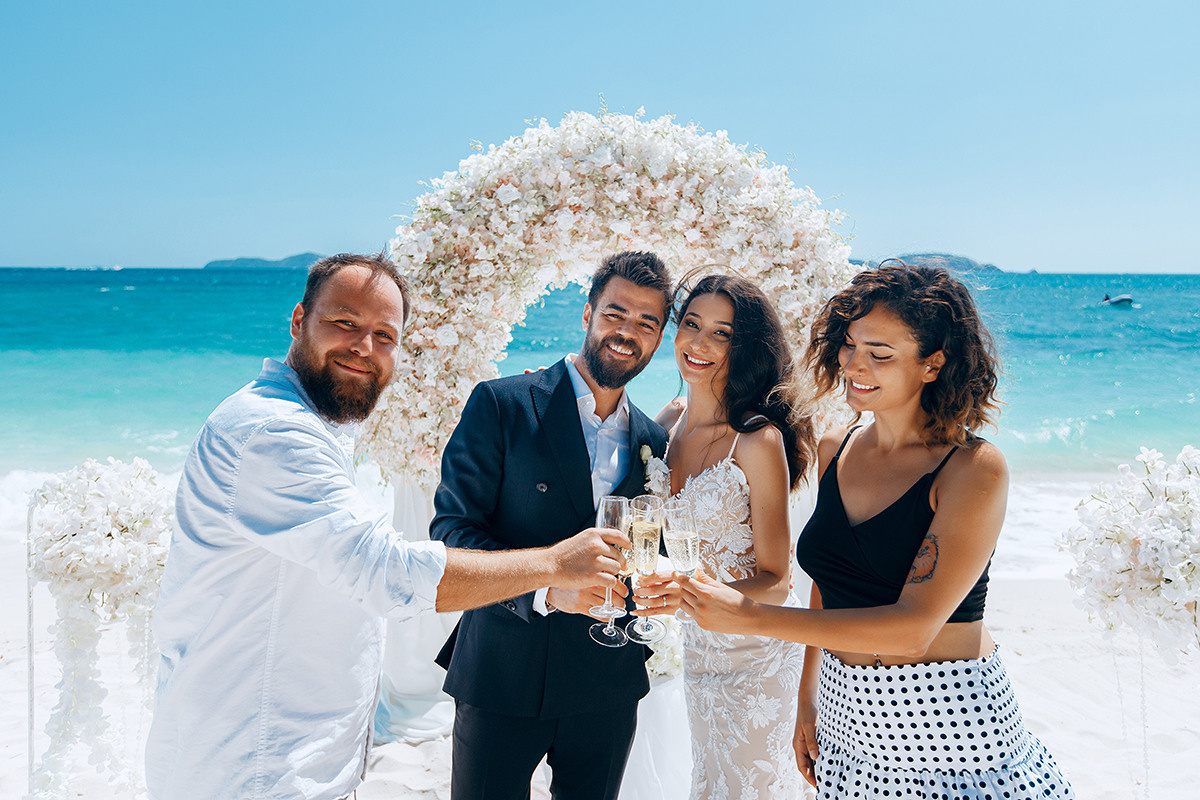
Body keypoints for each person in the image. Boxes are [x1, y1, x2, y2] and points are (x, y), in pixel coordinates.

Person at [146, 253, 630, 800]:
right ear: (299, 320)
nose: (364, 347)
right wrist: (554, 566)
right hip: (251, 763)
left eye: (384, 335)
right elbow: (385, 572)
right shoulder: (273, 433)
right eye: (345, 323)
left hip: (292, 756)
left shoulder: (316, 425)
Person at [677, 263, 1075, 798]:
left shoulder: (971, 468)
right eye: (849, 345)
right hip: (845, 722)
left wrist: (751, 616)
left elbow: (913, 629)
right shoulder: (835, 448)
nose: (854, 365)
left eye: (880, 354)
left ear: (932, 363)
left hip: (947, 725)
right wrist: (808, 696)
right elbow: (827, 583)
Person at [431, 251, 673, 800]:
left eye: (646, 322)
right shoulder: (502, 404)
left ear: (659, 338)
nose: (627, 332)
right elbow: (451, 533)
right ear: (587, 313)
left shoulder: (656, 443)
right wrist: (545, 588)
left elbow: (648, 551)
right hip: (501, 672)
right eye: (615, 314)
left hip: (608, 683)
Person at [632, 274, 813, 799]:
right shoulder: (667, 423)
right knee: (710, 781)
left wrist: (695, 596)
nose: (699, 343)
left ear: (744, 347)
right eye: (691, 324)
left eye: (722, 333)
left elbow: (777, 580)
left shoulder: (757, 440)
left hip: (760, 654)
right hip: (699, 649)